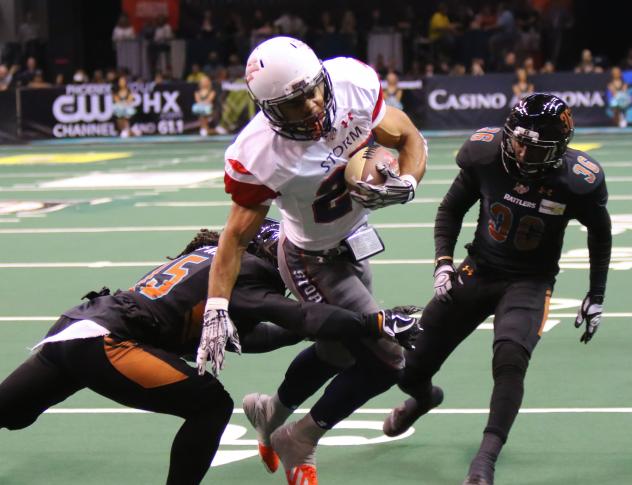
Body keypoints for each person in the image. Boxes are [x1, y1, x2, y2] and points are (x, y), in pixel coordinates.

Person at [0, 221, 421, 485]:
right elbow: (295, 314)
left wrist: (302, 333)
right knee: (211, 406)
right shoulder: (245, 271)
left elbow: (252, 336)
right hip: (109, 342)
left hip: (76, 327)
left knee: (9, 411)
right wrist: (373, 323)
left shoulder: (209, 257)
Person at [200, 36, 427, 485]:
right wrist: (216, 306)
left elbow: (407, 135)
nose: (312, 105)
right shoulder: (259, 154)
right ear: (267, 110)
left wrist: (409, 179)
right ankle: (298, 437)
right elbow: (234, 237)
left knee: (338, 351)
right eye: (292, 103)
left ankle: (271, 410)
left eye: (313, 90)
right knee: (386, 357)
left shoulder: (352, 82)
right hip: (311, 258)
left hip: (353, 237)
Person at [382, 93, 612, 485]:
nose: (519, 151)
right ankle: (423, 398)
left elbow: (601, 233)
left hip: (529, 281)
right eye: (516, 139)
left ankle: (485, 459)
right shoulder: (486, 155)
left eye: (531, 146)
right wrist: (443, 263)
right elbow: (451, 208)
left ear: (556, 150)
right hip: (479, 268)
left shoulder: (577, 181)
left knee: (509, 358)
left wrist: (597, 293)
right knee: (409, 367)